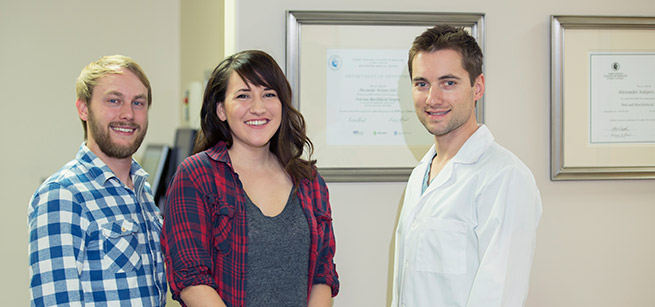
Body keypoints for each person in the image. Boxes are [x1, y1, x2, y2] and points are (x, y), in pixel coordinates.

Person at [161, 50, 339, 307]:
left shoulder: (309, 181)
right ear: (221, 109)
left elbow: (323, 275)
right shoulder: (195, 176)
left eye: (269, 94)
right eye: (243, 95)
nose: (258, 108)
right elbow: (192, 280)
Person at [392, 25, 543, 306]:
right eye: (421, 83)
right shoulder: (420, 176)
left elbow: (500, 296)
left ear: (478, 87)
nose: (432, 99)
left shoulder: (505, 177)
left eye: (448, 83)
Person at [28, 55, 166, 306]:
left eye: (138, 103)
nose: (128, 114)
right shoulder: (63, 195)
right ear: (83, 108)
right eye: (114, 101)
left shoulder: (142, 191)